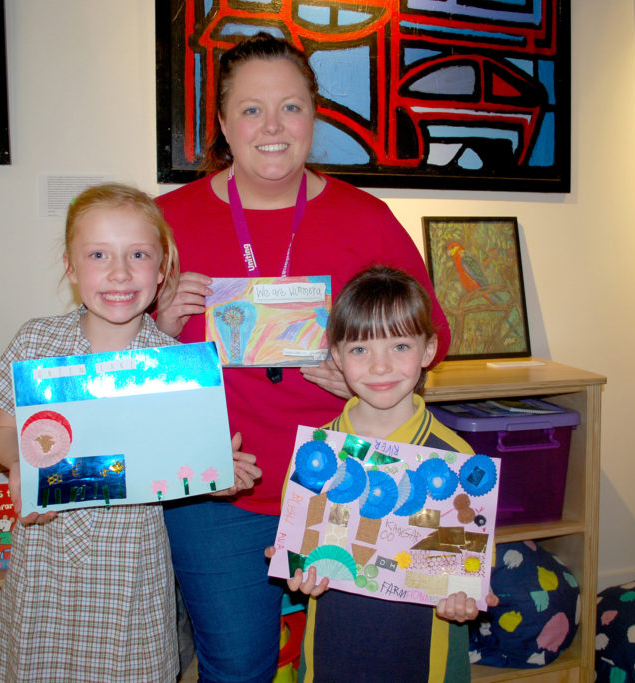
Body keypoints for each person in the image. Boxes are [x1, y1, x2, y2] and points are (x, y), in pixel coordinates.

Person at [154, 33, 452, 682]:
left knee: (358, 666)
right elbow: (112, 360)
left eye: (291, 107)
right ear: (223, 123)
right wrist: (161, 318)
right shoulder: (164, 221)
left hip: (346, 483)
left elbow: (434, 333)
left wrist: (359, 362)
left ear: (314, 118)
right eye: (252, 109)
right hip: (218, 492)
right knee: (237, 669)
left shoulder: (366, 218)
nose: (272, 126)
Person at [0, 183, 260, 682]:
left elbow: (184, 466)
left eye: (138, 254)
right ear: (70, 266)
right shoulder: (37, 341)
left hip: (131, 571)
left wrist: (218, 474)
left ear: (163, 267)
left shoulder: (173, 368)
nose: (119, 272)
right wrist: (18, 462)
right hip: (48, 561)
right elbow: (2, 431)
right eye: (98, 254)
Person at [269, 265, 499, 682]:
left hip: (425, 652)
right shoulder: (317, 454)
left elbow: (469, 566)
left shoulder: (455, 459)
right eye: (360, 350)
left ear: (428, 350)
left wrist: (464, 596)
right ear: (336, 356)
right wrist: (297, 570)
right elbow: (302, 548)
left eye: (399, 346)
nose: (379, 367)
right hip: (332, 649)